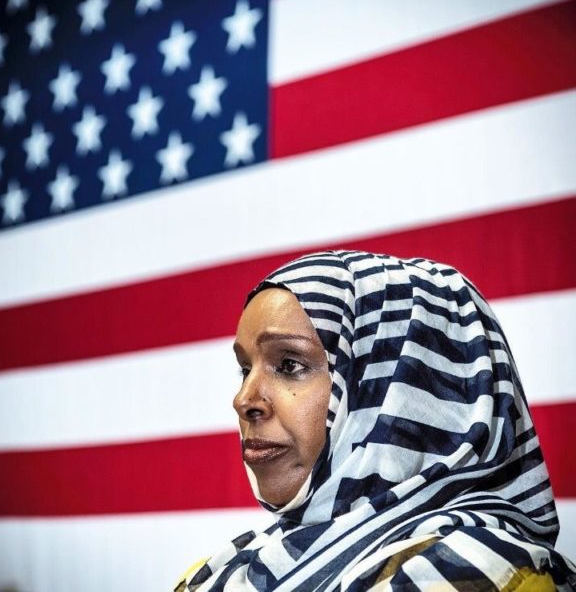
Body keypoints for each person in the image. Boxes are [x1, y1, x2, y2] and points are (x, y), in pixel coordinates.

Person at [176, 251, 576, 591]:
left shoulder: (479, 573)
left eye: (289, 364)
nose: (243, 400)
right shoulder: (220, 574)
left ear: (406, 387)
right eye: (245, 368)